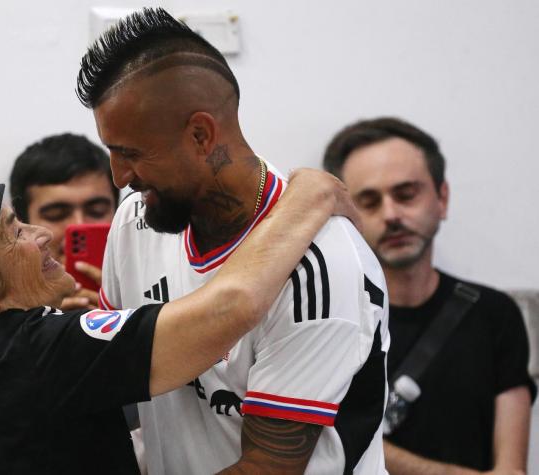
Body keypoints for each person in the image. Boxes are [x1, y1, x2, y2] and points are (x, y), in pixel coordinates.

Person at [0, 169, 355, 474]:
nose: (42, 235)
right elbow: (234, 305)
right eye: (14, 232)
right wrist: (311, 193)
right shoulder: (37, 351)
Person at [77, 8, 390, 474]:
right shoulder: (133, 223)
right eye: (111, 152)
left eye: (131, 154)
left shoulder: (322, 267)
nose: (119, 177)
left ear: (201, 135)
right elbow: (116, 384)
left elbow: (268, 467)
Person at [323, 116, 535, 474]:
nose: (391, 215)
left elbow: (512, 470)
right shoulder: (330, 320)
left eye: (406, 194)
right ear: (347, 217)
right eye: (370, 202)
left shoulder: (495, 315)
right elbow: (323, 442)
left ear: (442, 198)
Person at [9, 133, 119, 310]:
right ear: (21, 223)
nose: (79, 224)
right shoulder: (0, 306)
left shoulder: (146, 285)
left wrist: (128, 320)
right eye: (56, 214)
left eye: (97, 211)